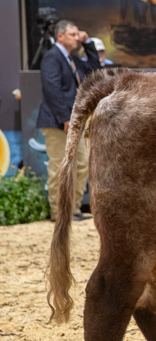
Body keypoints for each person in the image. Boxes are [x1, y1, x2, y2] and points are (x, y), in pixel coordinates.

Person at [36, 20, 102, 221]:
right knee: (60, 167)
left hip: (74, 121)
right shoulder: (52, 57)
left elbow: (94, 69)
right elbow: (52, 90)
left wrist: (87, 41)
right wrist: (65, 118)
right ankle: (58, 213)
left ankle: (73, 210)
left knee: (81, 165)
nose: (77, 37)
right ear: (60, 36)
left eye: (77, 34)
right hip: (58, 122)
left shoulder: (72, 59)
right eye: (73, 34)